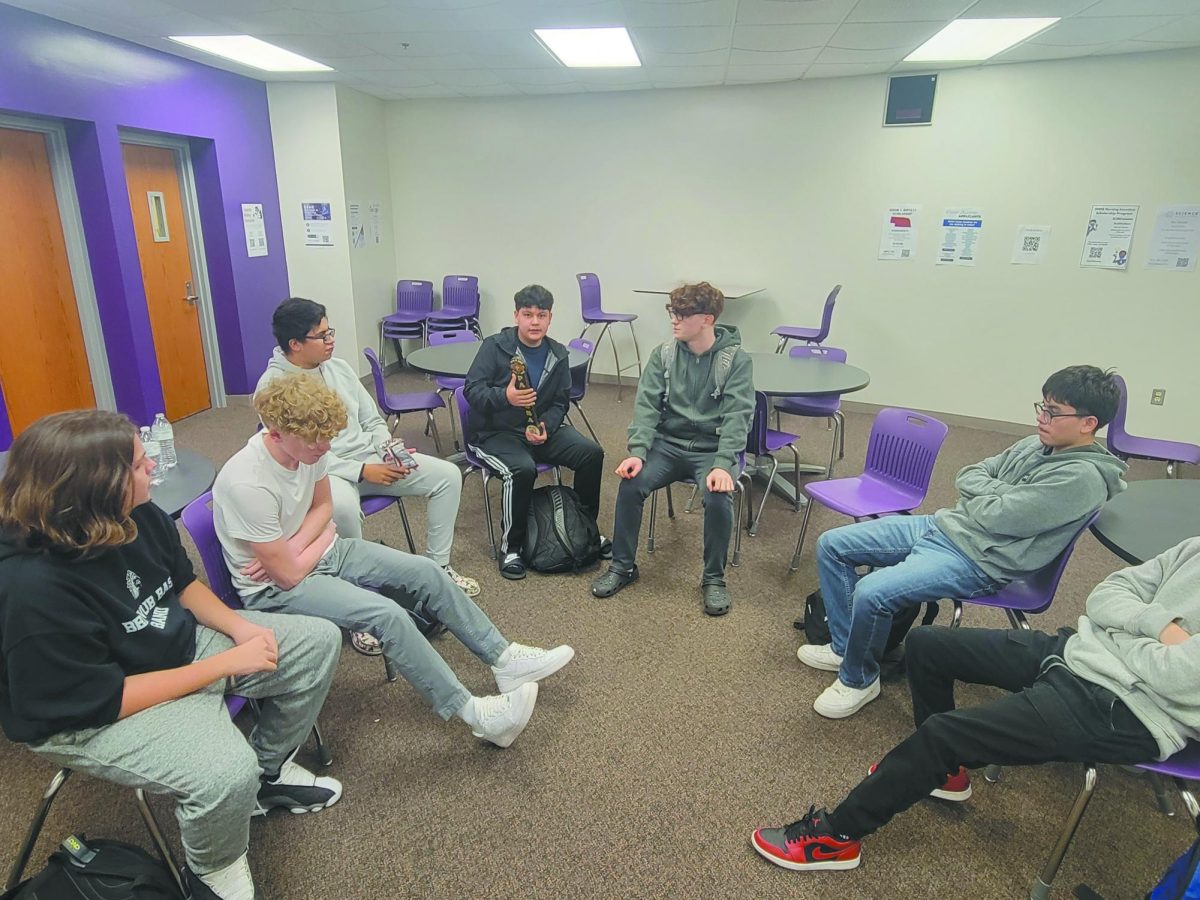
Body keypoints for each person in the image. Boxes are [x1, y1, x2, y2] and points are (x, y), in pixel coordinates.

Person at [0, 410, 342, 900]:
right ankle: (212, 872)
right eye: (140, 466)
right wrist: (221, 665)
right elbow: (103, 698)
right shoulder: (30, 588)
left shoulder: (135, 513)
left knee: (315, 643)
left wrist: (242, 629)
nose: (153, 471)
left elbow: (180, 584)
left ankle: (265, 776)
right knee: (224, 772)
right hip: (91, 712)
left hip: (169, 651)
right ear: (97, 487)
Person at [751, 537, 1200, 872]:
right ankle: (943, 773)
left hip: (1129, 706)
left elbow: (1180, 677)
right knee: (926, 644)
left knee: (943, 735)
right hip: (1078, 651)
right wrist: (1158, 627)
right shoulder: (1193, 548)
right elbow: (1107, 593)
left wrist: (1124, 632)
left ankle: (835, 837)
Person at [214, 372, 574, 749]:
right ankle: (477, 715)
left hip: (318, 553)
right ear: (275, 434)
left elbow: (324, 508)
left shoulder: (309, 446)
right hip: (273, 589)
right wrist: (310, 543)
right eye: (315, 442)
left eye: (327, 439)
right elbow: (286, 577)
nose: (324, 448)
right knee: (387, 615)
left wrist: (301, 542)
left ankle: (504, 660)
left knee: (427, 571)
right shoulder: (247, 482)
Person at [796, 366, 1125, 720]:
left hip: (980, 559)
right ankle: (847, 648)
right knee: (832, 544)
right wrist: (1000, 494)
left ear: (1088, 423)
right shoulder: (1036, 443)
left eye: (1053, 412)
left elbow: (998, 516)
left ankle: (859, 678)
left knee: (872, 591)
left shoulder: (1082, 479)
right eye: (1041, 407)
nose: (1041, 418)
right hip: (946, 525)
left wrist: (992, 497)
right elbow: (968, 473)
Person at [257, 297, 480, 600]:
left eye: (330, 331)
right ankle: (359, 594)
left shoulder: (339, 368)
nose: (331, 340)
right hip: (322, 474)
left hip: (371, 458)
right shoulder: (273, 388)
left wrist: (387, 447)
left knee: (448, 476)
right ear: (295, 343)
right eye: (322, 336)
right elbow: (298, 457)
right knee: (344, 510)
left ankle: (438, 569)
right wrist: (362, 471)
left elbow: (372, 419)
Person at [590, 282, 754, 617]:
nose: (674, 320)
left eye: (682, 314)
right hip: (668, 446)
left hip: (711, 450)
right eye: (673, 313)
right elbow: (646, 407)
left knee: (718, 496)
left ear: (707, 319)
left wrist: (724, 463)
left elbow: (739, 416)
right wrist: (637, 451)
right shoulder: (663, 355)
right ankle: (622, 567)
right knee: (631, 483)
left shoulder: (734, 360)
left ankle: (713, 579)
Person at [464, 284, 606, 580]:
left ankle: (584, 529)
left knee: (592, 454)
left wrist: (547, 426)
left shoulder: (558, 353)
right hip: (495, 433)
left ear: (550, 318)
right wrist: (506, 397)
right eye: (527, 314)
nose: (534, 322)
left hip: (540, 430)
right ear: (516, 315)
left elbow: (560, 401)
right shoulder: (494, 346)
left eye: (541, 315)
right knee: (523, 469)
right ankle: (511, 547)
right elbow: (472, 391)